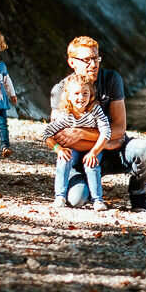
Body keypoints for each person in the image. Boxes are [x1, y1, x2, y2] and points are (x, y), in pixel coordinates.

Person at [42, 36, 146, 211]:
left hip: (114, 153)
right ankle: (88, 188)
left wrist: (82, 134)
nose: (93, 64)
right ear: (72, 62)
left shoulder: (111, 79)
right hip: (82, 157)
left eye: (96, 58)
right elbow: (62, 137)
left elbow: (119, 128)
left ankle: (138, 196)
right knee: (75, 200)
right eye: (86, 60)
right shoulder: (61, 90)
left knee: (144, 151)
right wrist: (107, 143)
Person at [40, 76, 111, 212]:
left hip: (93, 148)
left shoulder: (95, 111)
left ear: (91, 95)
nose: (81, 97)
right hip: (73, 151)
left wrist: (94, 152)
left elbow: (106, 132)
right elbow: (47, 134)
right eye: (76, 94)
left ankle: (97, 200)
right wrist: (58, 149)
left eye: (85, 93)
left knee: (91, 164)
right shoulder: (66, 115)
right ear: (68, 96)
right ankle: (60, 196)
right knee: (63, 158)